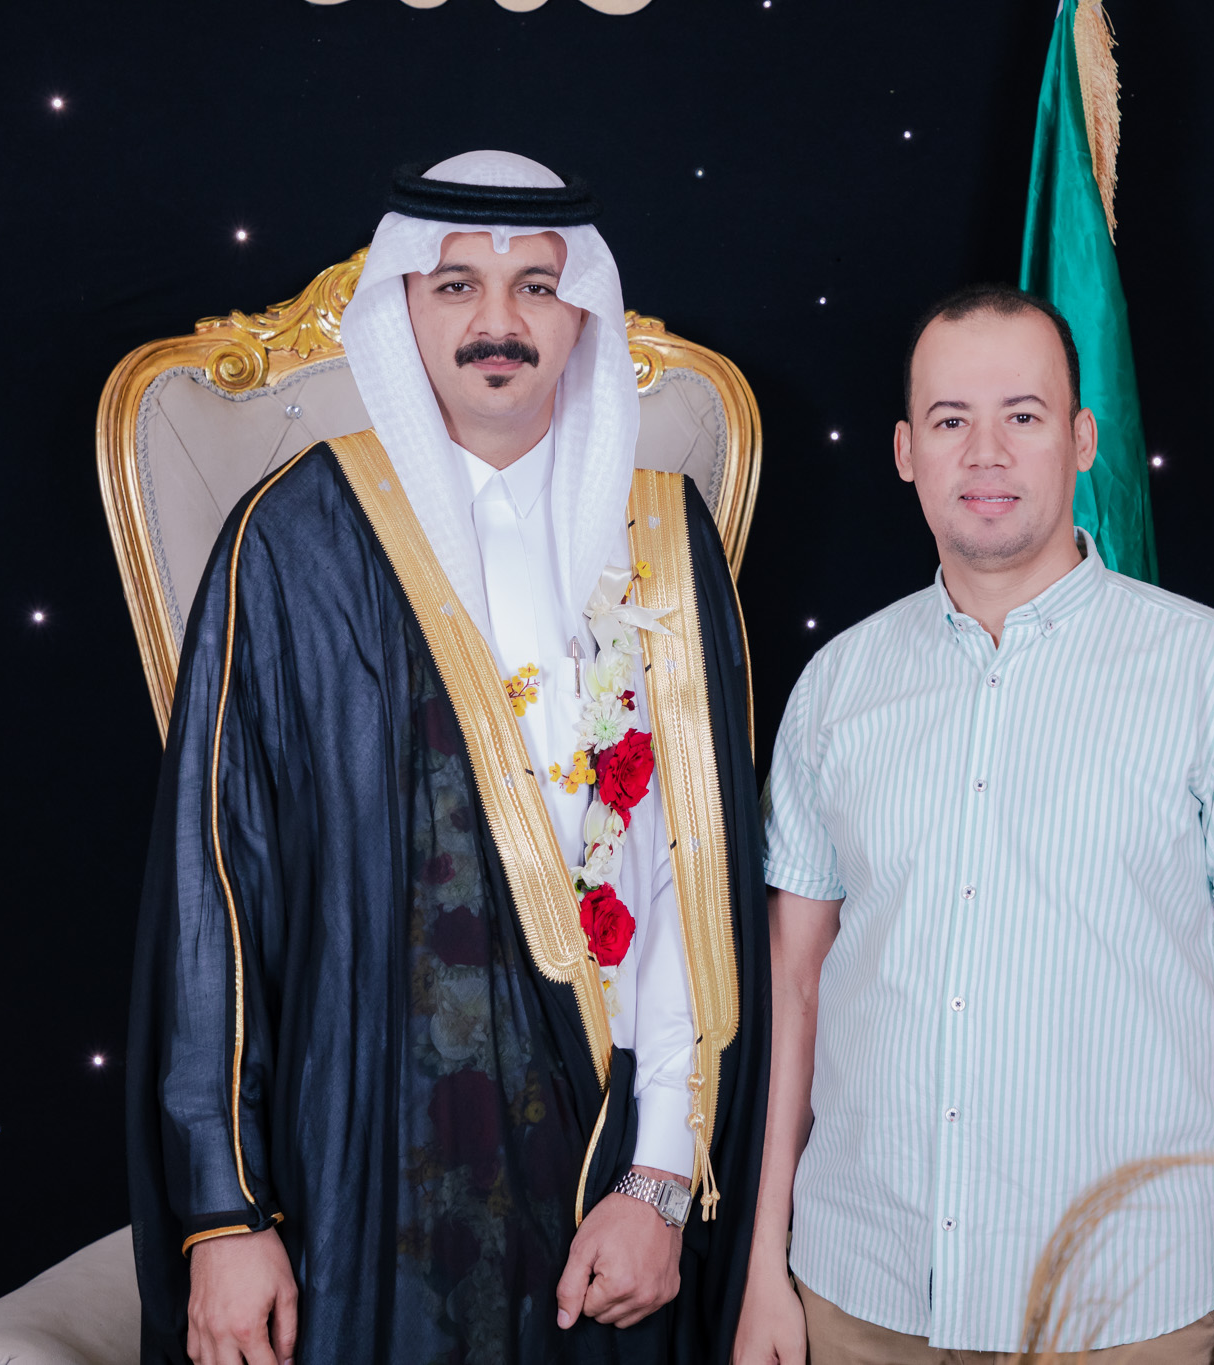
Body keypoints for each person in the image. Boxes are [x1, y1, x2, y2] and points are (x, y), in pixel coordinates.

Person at [126, 150, 768, 1365]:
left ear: (583, 311)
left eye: (536, 286)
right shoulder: (294, 541)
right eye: (456, 284)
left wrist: (659, 1179)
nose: (497, 323)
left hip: (607, 1177)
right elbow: (218, 891)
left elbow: (694, 888)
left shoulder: (660, 534)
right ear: (402, 309)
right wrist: (224, 1212)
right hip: (364, 1157)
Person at [735, 286, 1214, 1365]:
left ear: (1081, 439)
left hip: (1133, 1316)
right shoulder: (835, 686)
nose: (985, 452)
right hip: (857, 1300)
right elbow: (791, 989)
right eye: (950, 419)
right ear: (905, 451)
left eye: (1021, 415)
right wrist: (761, 1270)